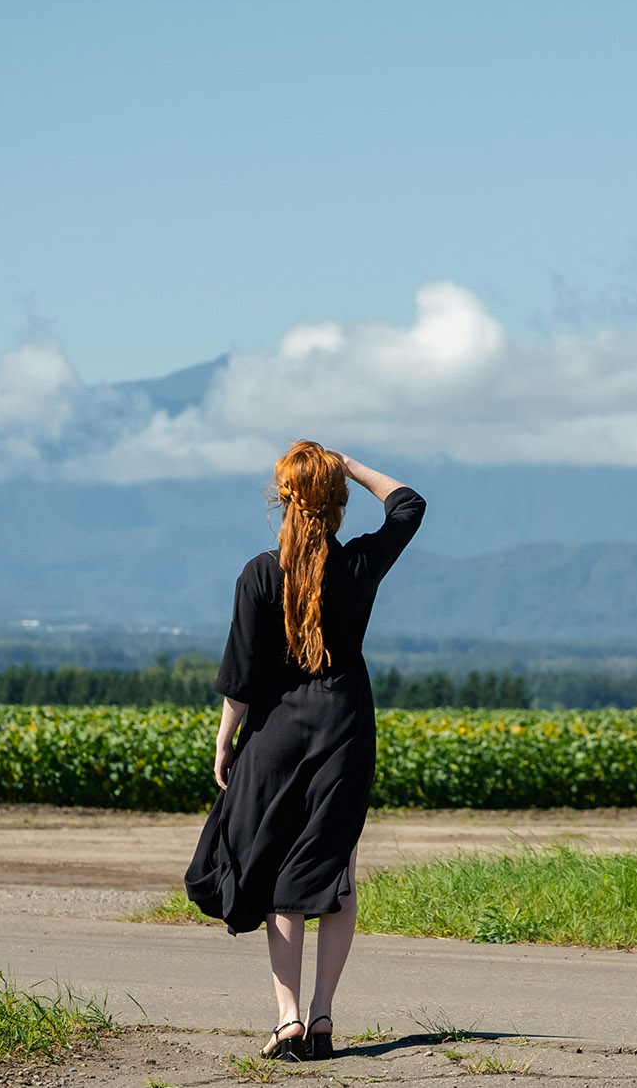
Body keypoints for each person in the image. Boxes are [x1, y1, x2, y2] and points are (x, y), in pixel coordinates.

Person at [184, 441, 424, 1061]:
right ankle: (321, 1018)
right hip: (343, 727)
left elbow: (240, 675)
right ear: (338, 506)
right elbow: (408, 505)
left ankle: (286, 1021)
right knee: (335, 870)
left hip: (274, 734)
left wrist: (224, 741)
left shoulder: (260, 573)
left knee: (279, 869)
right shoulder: (358, 565)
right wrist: (350, 467)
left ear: (283, 501)